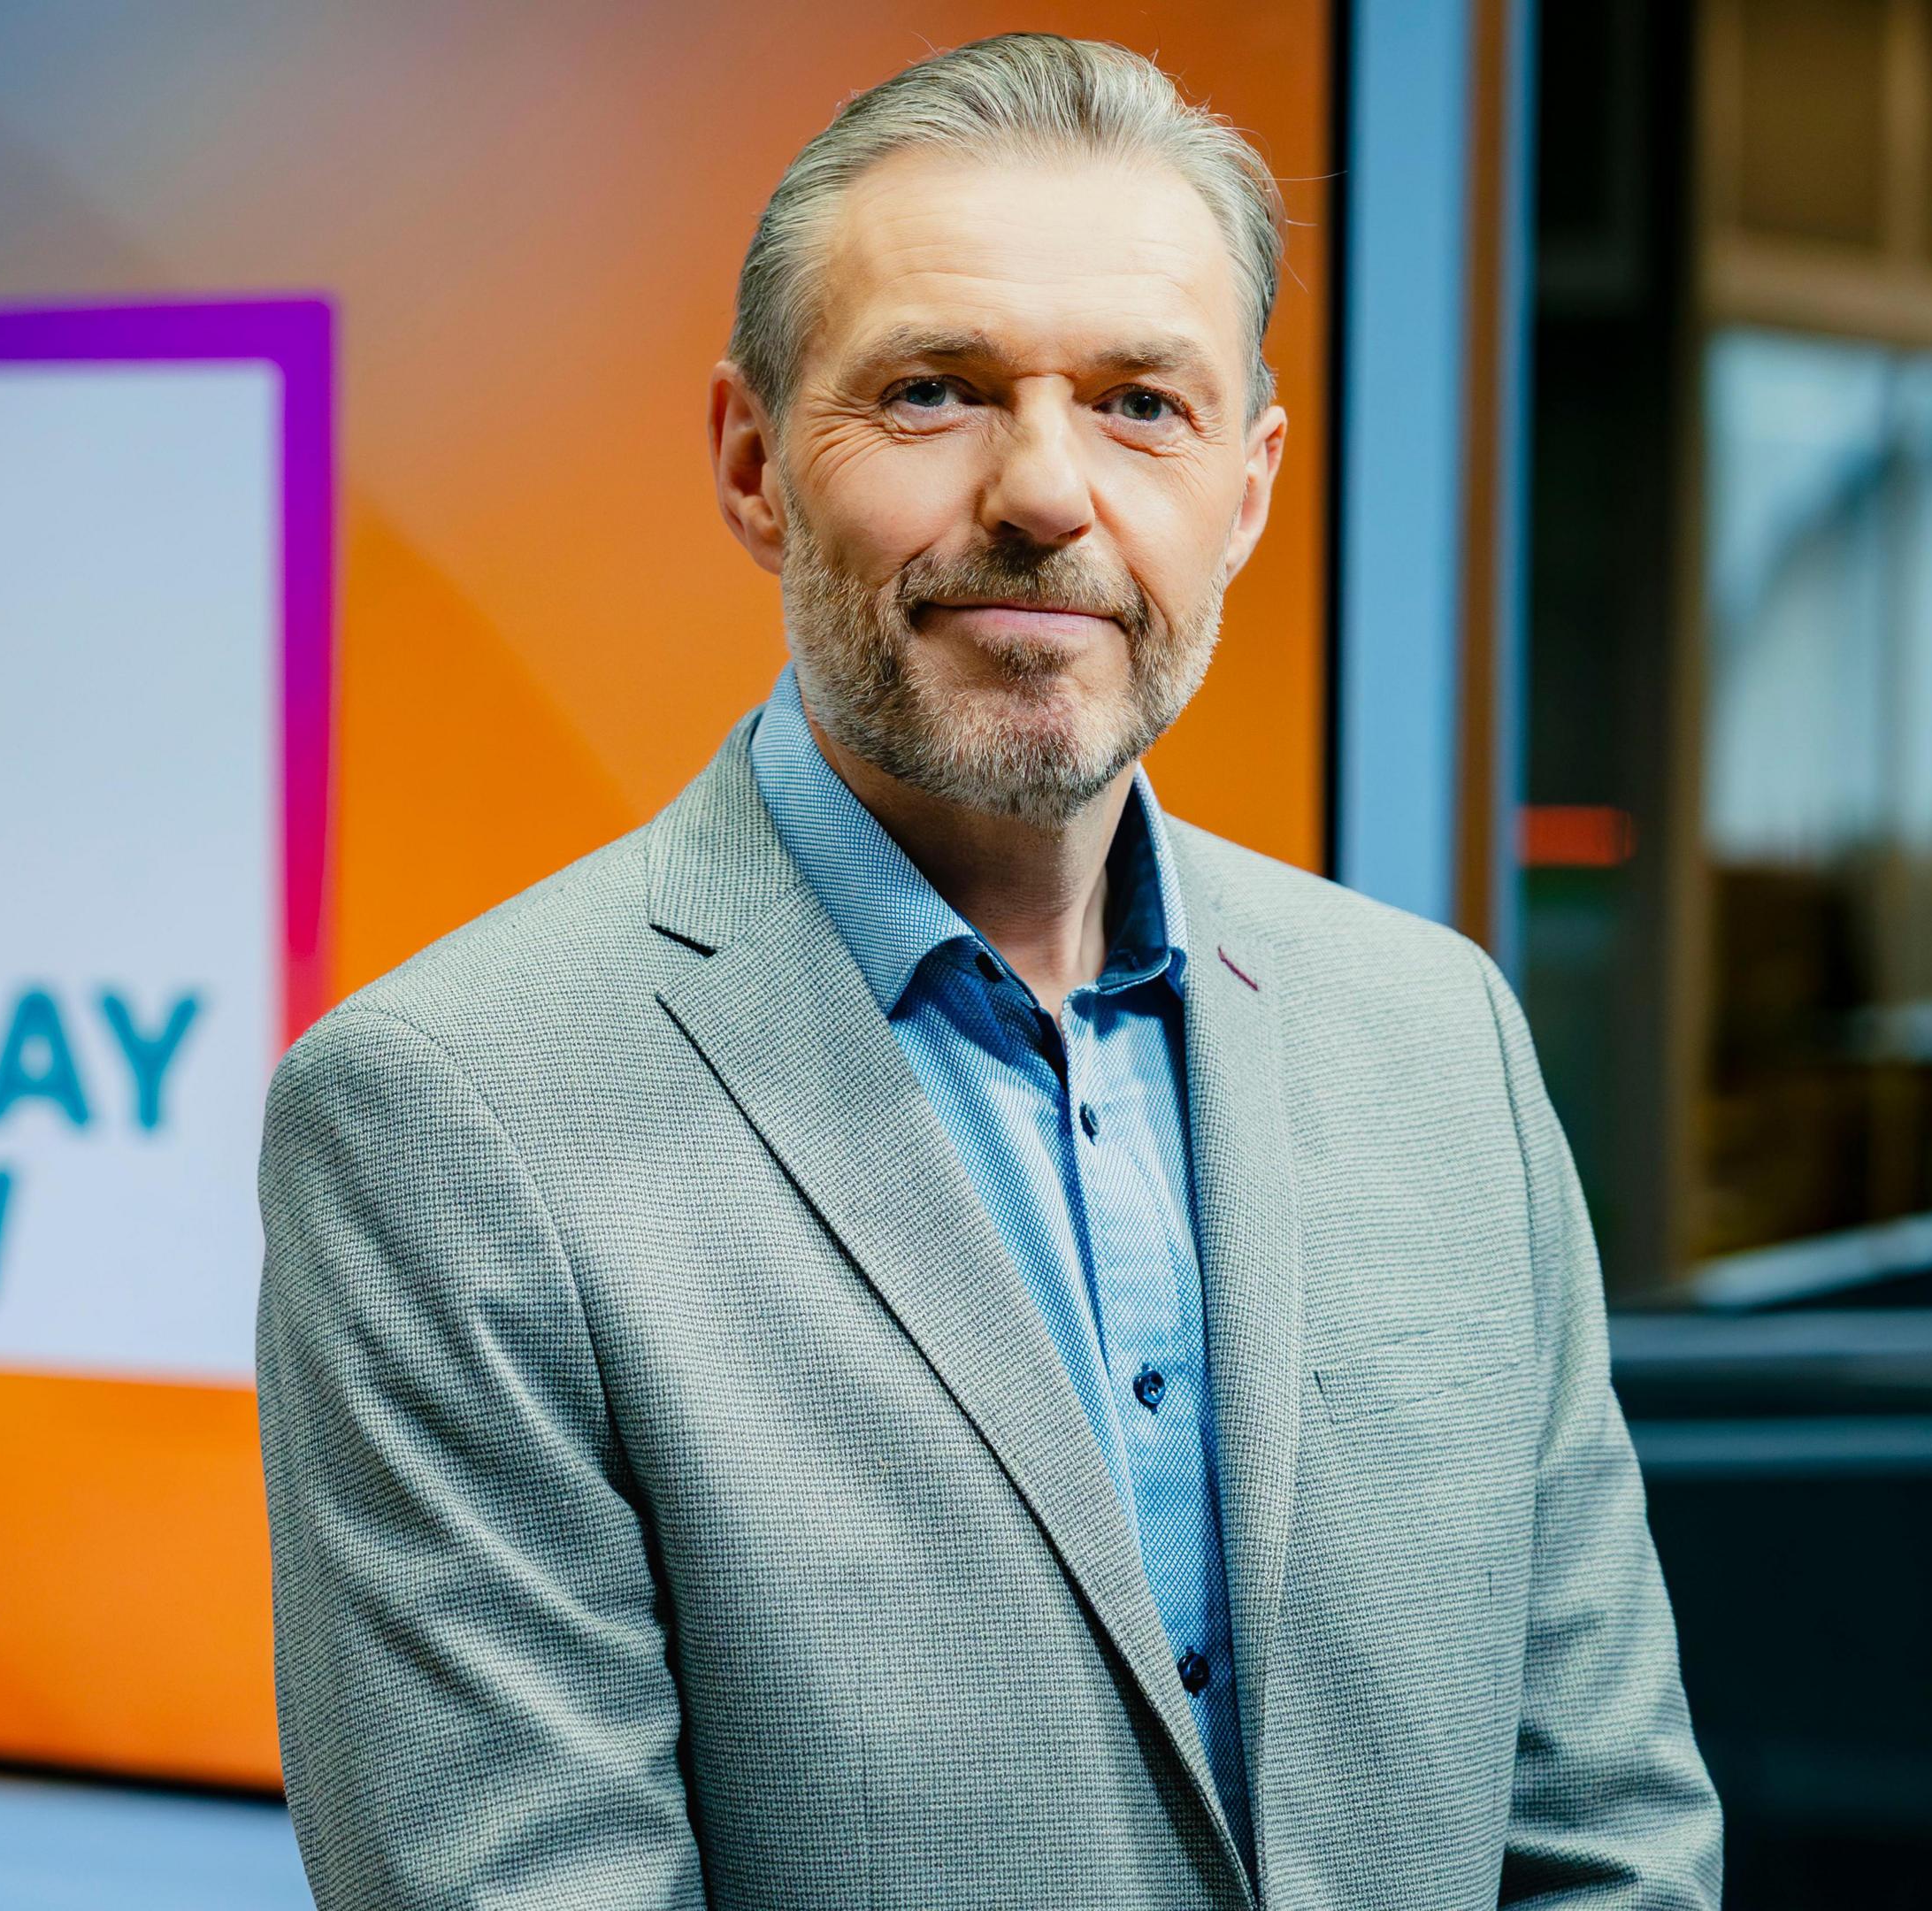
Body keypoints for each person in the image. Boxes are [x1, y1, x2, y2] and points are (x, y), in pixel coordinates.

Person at [255, 32, 1721, 1911]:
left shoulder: (1437, 1040)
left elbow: (1610, 1840)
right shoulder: (451, 1116)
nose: (1045, 493)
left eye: (1141, 406)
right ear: (753, 460)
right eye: (936, 393)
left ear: (1250, 490)